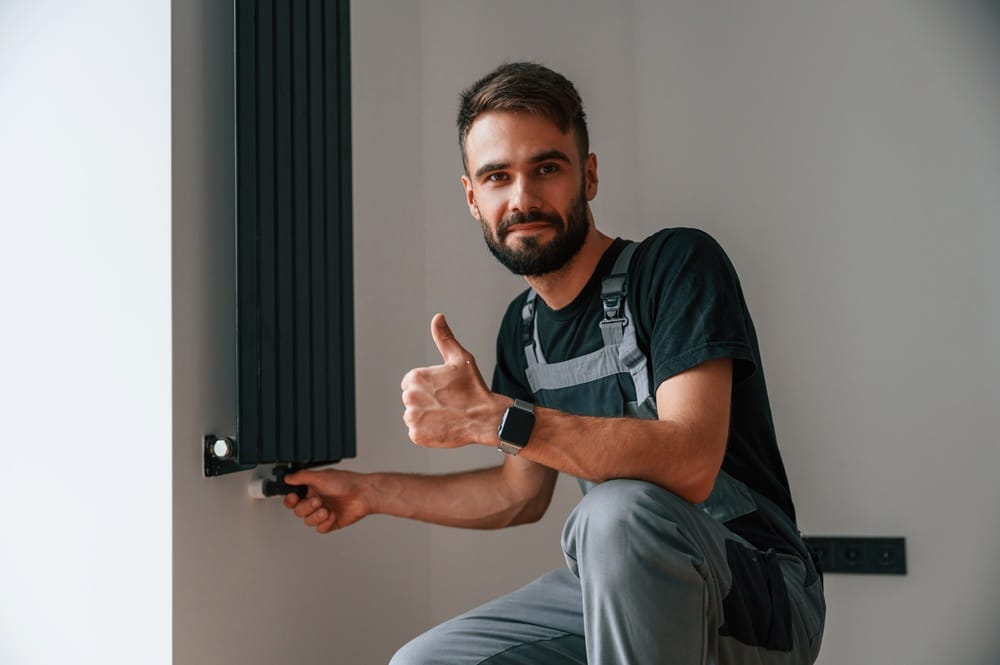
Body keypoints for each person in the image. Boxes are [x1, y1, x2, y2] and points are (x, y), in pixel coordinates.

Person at [284, 61, 825, 664]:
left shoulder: (675, 267)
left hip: (755, 596)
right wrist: (368, 493)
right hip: (614, 586)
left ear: (588, 176)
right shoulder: (522, 330)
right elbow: (519, 495)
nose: (523, 198)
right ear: (472, 197)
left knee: (614, 512)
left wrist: (497, 420)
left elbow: (692, 461)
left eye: (546, 168)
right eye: (497, 176)